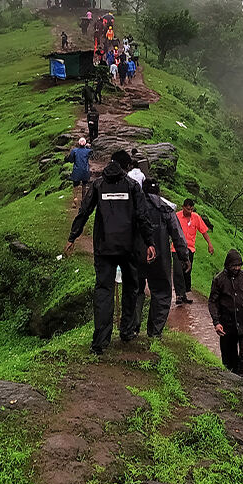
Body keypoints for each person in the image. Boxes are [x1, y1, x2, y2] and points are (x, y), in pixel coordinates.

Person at [66, 151, 156, 355]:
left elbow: (84, 211)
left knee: (103, 291)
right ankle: (126, 331)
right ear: (126, 167)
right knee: (131, 288)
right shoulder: (132, 187)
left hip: (104, 247)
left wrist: (73, 236)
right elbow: (142, 216)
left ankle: (100, 342)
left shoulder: (98, 185)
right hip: (128, 248)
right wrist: (150, 242)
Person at [126, 180, 191, 339]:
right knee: (161, 292)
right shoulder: (166, 209)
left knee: (135, 290)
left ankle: (132, 328)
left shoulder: (133, 207)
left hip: (135, 256)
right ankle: (154, 332)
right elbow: (177, 234)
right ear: (159, 192)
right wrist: (184, 257)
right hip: (159, 258)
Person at [208, 249, 243, 378]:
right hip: (227, 327)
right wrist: (216, 322)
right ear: (227, 265)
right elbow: (212, 302)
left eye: (239, 265)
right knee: (229, 360)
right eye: (234, 266)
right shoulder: (219, 280)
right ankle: (231, 387)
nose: (237, 268)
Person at [172, 199, 213, 304]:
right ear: (183, 207)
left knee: (186, 271)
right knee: (178, 271)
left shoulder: (196, 217)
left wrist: (209, 244)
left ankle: (184, 294)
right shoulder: (176, 216)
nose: (189, 211)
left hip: (189, 248)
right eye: (187, 209)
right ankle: (178, 296)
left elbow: (204, 231)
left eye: (191, 209)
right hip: (176, 248)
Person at [66, 137, 92, 206]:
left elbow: (71, 160)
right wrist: (88, 147)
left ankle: (75, 199)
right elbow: (91, 153)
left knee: (75, 185)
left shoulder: (74, 151)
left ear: (78, 143)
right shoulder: (88, 151)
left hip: (76, 170)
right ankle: (83, 200)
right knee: (84, 185)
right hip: (85, 171)